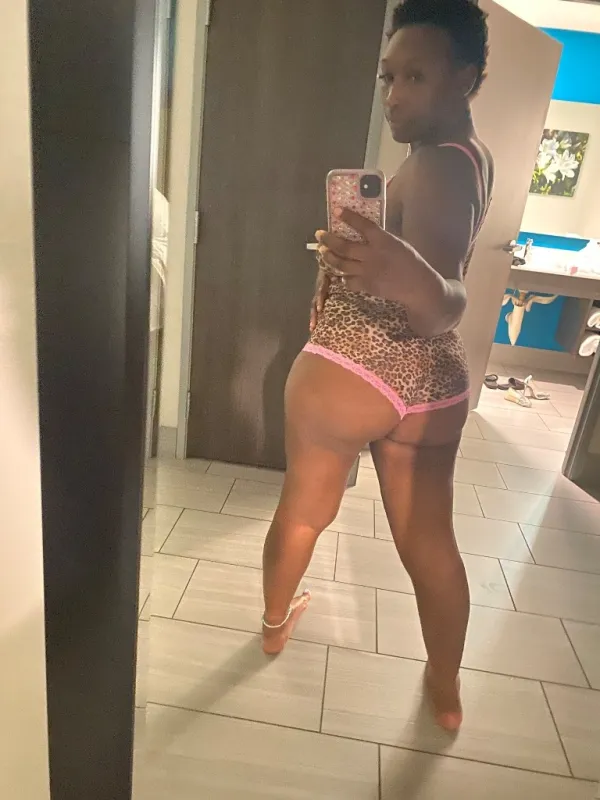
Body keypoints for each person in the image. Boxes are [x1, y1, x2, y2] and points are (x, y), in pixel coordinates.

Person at [261, 0, 493, 733]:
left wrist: (406, 279)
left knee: (305, 510)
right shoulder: (470, 158)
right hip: (432, 390)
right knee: (430, 544)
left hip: (352, 368)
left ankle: (274, 624)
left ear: (467, 77)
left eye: (415, 76)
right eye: (388, 77)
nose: (393, 95)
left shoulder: (437, 165)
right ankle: (445, 691)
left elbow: (443, 301)